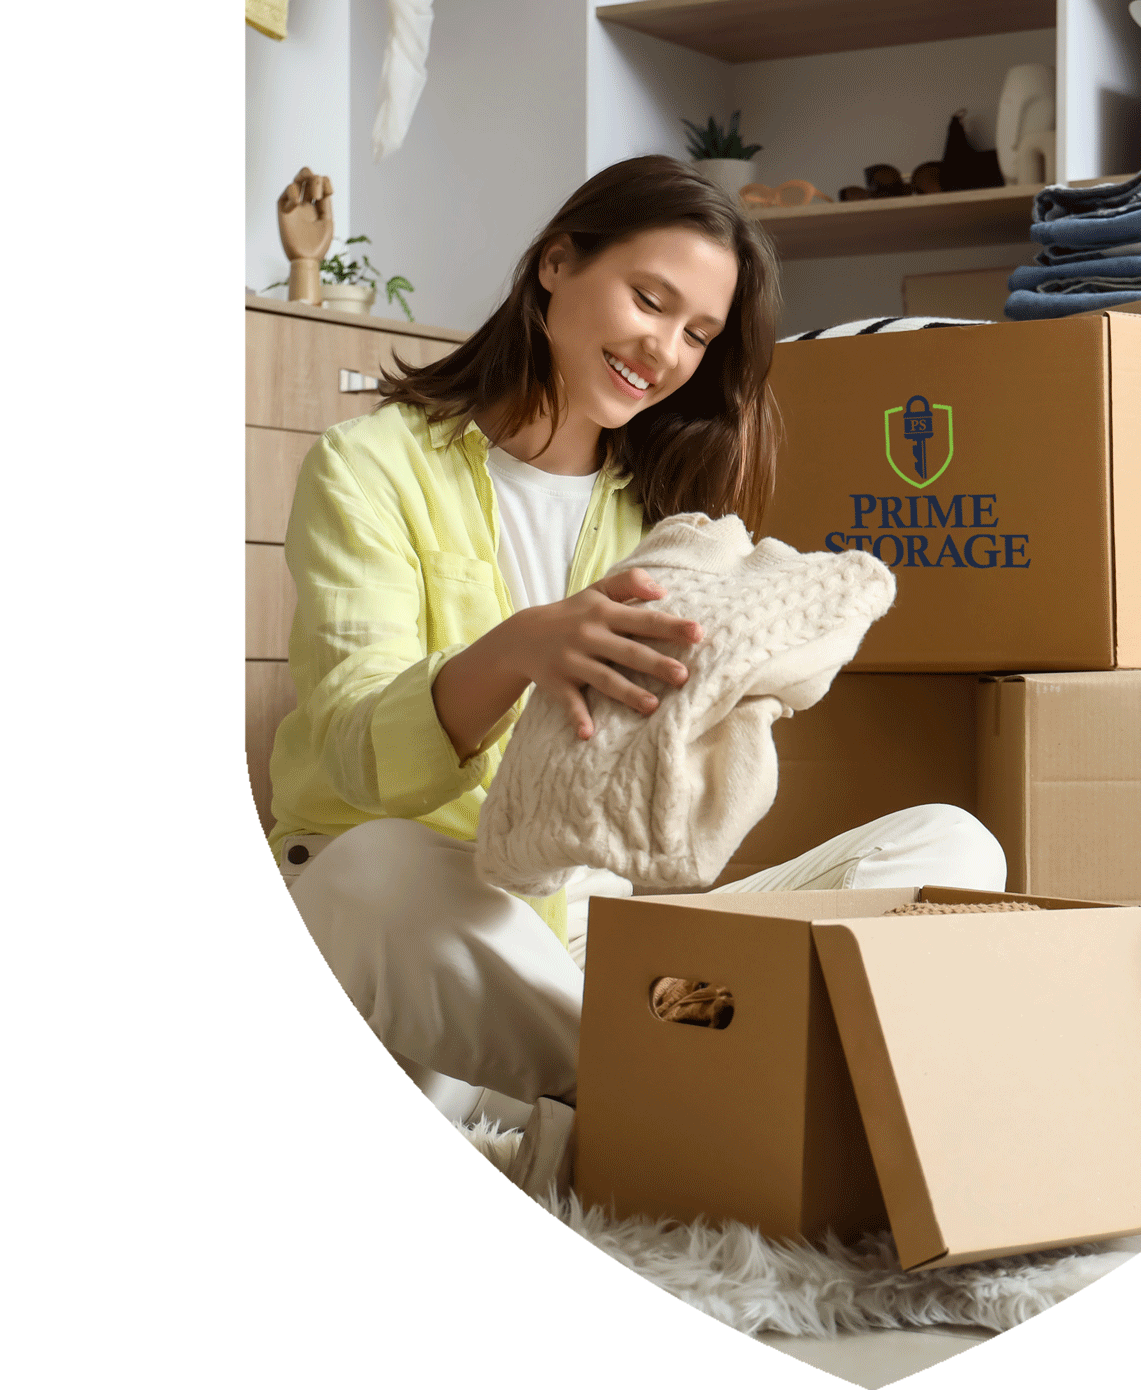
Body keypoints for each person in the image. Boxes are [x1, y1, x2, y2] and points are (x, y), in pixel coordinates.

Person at [268, 155, 1007, 1173]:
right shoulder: (369, 465)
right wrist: (523, 646)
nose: (664, 351)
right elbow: (353, 744)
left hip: (602, 948)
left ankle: (642, 1107)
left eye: (699, 335)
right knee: (375, 870)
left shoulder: (666, 520)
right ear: (557, 266)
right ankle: (717, 1109)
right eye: (649, 301)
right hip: (426, 937)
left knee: (952, 851)